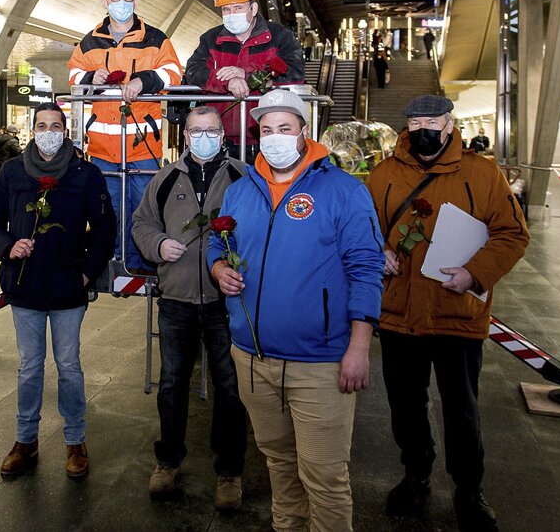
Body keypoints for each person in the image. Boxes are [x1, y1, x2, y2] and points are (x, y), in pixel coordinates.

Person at [207, 89, 384, 532]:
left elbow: (367, 270)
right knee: (278, 464)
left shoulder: (344, 191)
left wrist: (359, 347)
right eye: (266, 130)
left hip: (320, 363)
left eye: (285, 129)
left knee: (324, 477)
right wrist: (218, 266)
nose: (275, 138)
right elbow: (216, 240)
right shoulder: (242, 190)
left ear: (304, 132)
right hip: (252, 358)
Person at [365, 95, 529, 531]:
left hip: (456, 313)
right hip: (399, 314)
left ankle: (469, 489)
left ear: (449, 124)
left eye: (432, 120)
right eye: (415, 120)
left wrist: (475, 274)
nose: (423, 128)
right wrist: (376, 250)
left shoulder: (482, 173)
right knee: (406, 405)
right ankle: (415, 475)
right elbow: (360, 229)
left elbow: (512, 233)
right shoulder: (383, 175)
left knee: (462, 407)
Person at [0, 103, 116, 480]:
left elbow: (105, 228)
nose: (49, 131)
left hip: (68, 289)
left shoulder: (85, 174)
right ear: (33, 130)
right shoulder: (11, 172)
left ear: (66, 130)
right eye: (42, 125)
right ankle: (26, 441)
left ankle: (76, 440)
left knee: (69, 367)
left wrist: (88, 273)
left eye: (55, 125)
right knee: (29, 368)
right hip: (24, 288)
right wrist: (8, 246)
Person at [131, 106, 248, 508]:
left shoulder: (241, 176)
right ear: (184, 136)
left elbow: (256, 227)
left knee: (230, 389)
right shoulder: (166, 178)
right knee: (171, 385)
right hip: (177, 300)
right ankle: (167, 462)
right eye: (196, 131)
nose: (203, 137)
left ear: (222, 135)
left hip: (225, 302)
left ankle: (229, 471)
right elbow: (142, 224)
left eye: (211, 131)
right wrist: (158, 245)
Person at [67, 0, 182, 272]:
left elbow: (173, 72)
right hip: (103, 148)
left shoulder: (155, 39)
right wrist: (92, 76)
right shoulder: (89, 42)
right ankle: (112, 262)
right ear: (104, 0)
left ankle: (139, 263)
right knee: (109, 210)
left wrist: (144, 81)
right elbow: (74, 77)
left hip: (144, 145)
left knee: (145, 209)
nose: (121, 1)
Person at [185, 0, 305, 162]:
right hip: (224, 139)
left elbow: (295, 73)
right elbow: (193, 71)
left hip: (268, 137)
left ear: (253, 8)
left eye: (238, 8)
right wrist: (227, 81)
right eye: (226, 10)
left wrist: (247, 74)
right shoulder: (210, 39)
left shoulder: (280, 36)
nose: (232, 15)